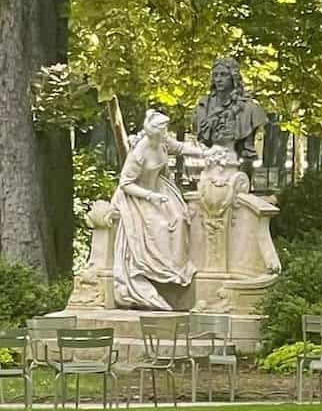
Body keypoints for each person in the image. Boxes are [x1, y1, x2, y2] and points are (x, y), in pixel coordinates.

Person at [111, 108, 207, 310]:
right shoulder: (139, 152)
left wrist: (206, 152)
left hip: (160, 189)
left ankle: (178, 271)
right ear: (153, 130)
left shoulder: (162, 141)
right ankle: (158, 271)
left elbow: (181, 148)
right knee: (160, 227)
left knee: (180, 219)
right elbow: (126, 183)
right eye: (163, 127)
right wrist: (151, 196)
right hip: (138, 195)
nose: (166, 131)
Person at [193, 56, 267, 170]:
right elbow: (201, 135)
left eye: (223, 75)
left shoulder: (250, 109)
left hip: (235, 166)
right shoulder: (203, 106)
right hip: (211, 166)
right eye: (216, 75)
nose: (218, 79)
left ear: (233, 77)